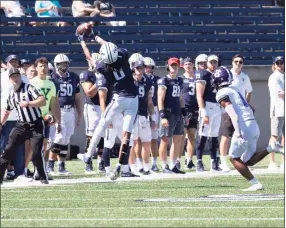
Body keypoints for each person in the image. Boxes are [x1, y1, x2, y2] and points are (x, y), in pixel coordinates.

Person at [76, 32, 138, 181]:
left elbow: (90, 57)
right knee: (126, 135)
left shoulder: (102, 67)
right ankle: (119, 167)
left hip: (119, 99)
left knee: (102, 123)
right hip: (134, 99)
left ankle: (88, 155)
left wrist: (83, 42)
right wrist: (96, 36)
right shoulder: (123, 54)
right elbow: (108, 45)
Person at [212, 66, 284, 191]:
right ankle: (271, 148)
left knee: (234, 158)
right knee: (247, 161)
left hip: (243, 127)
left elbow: (232, 113)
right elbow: (251, 108)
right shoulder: (234, 90)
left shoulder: (222, 93)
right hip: (253, 124)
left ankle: (255, 183)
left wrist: (238, 133)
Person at [0, 68, 48, 185]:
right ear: (10, 80)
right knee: (8, 150)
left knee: (36, 152)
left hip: (35, 123)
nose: (15, 78)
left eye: (17, 76)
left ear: (20, 77)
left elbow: (43, 100)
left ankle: (42, 177)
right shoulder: (11, 95)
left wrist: (29, 103)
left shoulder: (29, 88)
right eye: (13, 77)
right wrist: (1, 123)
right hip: (21, 125)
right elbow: (6, 111)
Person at [47, 54, 83, 176]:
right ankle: (50, 164)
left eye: (66, 63)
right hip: (59, 110)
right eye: (62, 64)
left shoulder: (74, 77)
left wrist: (80, 113)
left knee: (66, 138)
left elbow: (77, 97)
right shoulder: (52, 78)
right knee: (59, 137)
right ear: (56, 65)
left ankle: (61, 166)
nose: (65, 66)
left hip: (70, 111)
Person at [219, 54, 253, 172]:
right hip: (229, 108)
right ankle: (223, 162)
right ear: (232, 62)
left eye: (240, 62)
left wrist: (246, 105)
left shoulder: (244, 76)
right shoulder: (228, 75)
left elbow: (249, 91)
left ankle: (243, 162)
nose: (238, 64)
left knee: (243, 135)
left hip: (242, 111)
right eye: (236, 62)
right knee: (226, 135)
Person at [29, 57, 60, 178]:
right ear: (36, 68)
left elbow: (53, 102)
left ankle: (41, 171)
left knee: (45, 144)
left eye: (45, 66)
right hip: (32, 117)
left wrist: (56, 117)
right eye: (41, 66)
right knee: (32, 146)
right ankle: (27, 169)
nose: (43, 68)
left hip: (45, 117)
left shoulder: (51, 83)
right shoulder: (32, 82)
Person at [157, 57, 188, 174]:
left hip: (178, 113)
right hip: (168, 113)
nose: (174, 67)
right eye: (172, 65)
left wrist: (184, 114)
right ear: (168, 66)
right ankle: (164, 166)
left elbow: (180, 99)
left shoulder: (180, 80)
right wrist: (162, 116)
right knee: (165, 140)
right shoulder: (164, 81)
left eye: (176, 65)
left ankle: (173, 165)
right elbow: (160, 99)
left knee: (178, 140)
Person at [0, 55, 27, 180]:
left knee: (19, 145)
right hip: (5, 116)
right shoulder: (1, 77)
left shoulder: (24, 77)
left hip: (21, 116)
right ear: (7, 63)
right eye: (11, 62)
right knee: (3, 146)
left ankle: (19, 173)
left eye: (15, 61)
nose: (14, 63)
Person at [195, 54, 222, 172]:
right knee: (203, 135)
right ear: (207, 63)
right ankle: (199, 162)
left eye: (215, 62)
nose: (213, 64)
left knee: (214, 135)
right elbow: (199, 94)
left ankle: (214, 161)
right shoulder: (203, 74)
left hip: (217, 106)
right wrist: (203, 111)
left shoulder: (218, 74)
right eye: (211, 62)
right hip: (207, 105)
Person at [79, 53, 105, 174]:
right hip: (92, 107)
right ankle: (88, 162)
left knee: (104, 136)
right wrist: (100, 80)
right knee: (91, 135)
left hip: (105, 105)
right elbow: (89, 93)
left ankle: (101, 162)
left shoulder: (104, 73)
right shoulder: (87, 74)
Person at [129, 60, 155, 175]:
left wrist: (153, 118)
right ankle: (132, 166)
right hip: (131, 115)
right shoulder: (128, 81)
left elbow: (149, 101)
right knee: (133, 142)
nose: (139, 70)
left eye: (141, 68)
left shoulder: (148, 82)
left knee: (146, 142)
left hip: (143, 115)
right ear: (133, 69)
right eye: (137, 68)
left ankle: (146, 167)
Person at [180, 57, 198, 170]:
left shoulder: (197, 78)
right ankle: (177, 160)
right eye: (186, 64)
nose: (188, 66)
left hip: (195, 109)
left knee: (192, 136)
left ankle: (189, 160)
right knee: (181, 136)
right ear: (183, 66)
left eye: (190, 64)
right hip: (184, 109)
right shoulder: (180, 79)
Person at [268, 56, 285, 170]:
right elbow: (280, 93)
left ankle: (283, 162)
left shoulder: (283, 76)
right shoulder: (274, 77)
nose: (279, 65)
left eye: (281, 63)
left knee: (284, 136)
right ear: (274, 65)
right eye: (277, 63)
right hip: (278, 109)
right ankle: (271, 162)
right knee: (274, 136)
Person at [144, 57, 160, 171]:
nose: (148, 69)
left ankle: (154, 162)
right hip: (141, 110)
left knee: (154, 137)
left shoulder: (158, 80)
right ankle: (141, 163)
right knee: (142, 139)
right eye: (146, 66)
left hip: (154, 108)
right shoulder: (138, 79)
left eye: (150, 67)